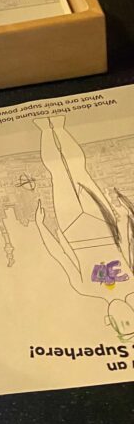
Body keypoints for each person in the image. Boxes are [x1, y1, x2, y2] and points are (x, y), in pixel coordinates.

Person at [32, 115, 134, 340]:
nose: (125, 318)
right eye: (131, 323)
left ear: (112, 323)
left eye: (122, 325)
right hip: (103, 222)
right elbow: (127, 245)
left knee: (58, 175)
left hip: (72, 229)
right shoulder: (132, 281)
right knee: (80, 171)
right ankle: (59, 125)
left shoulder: (85, 288)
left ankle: (45, 130)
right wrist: (124, 219)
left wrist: (41, 226)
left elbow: (60, 255)